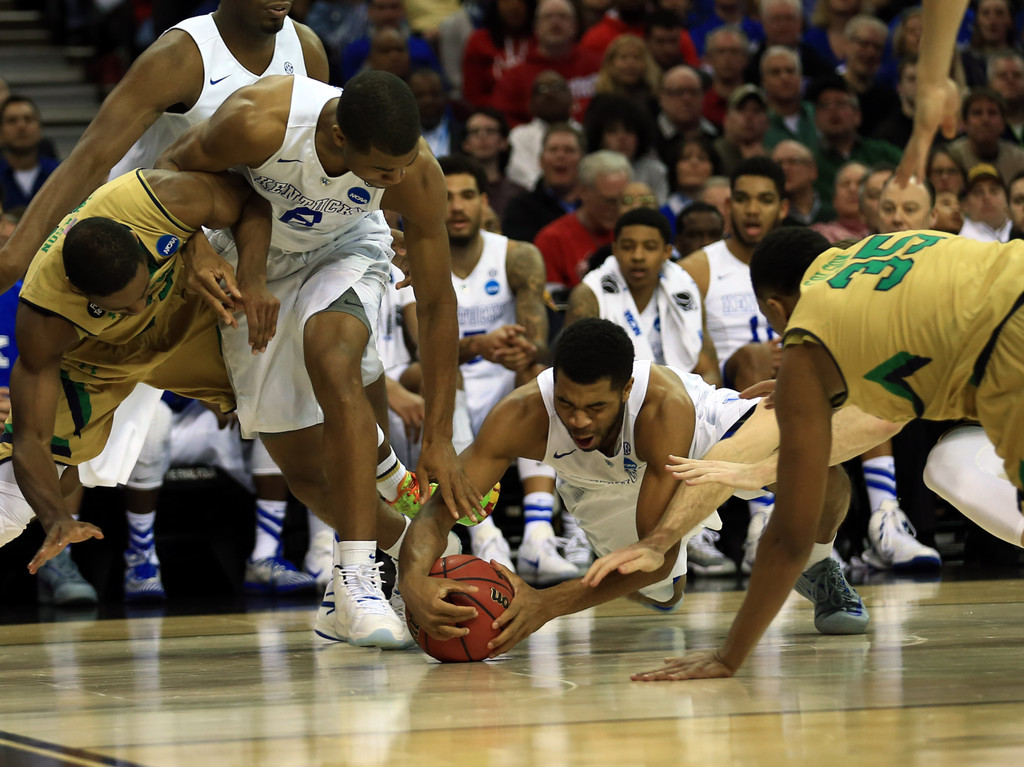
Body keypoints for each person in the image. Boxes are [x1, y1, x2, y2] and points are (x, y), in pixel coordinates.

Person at [609, 222, 1024, 681]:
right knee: (950, 461)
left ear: (774, 308)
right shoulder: (896, 246)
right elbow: (911, 349)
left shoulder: (813, 329)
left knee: (951, 470)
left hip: (1014, 347)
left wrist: (727, 652)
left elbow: (787, 534)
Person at [158, 71, 478, 647]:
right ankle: (403, 543)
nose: (399, 180)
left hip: (347, 247)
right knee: (306, 475)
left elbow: (435, 304)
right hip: (248, 261)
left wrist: (439, 437)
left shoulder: (416, 174)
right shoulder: (258, 120)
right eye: (385, 171)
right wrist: (198, 250)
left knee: (332, 359)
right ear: (335, 136)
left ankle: (354, 576)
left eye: (406, 164)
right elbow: (166, 170)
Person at [398, 318, 872, 655]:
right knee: (664, 591)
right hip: (598, 485)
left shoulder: (661, 408)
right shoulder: (520, 416)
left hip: (700, 441)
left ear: (625, 389)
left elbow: (654, 552)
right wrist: (412, 580)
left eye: (596, 407)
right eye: (566, 403)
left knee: (820, 470)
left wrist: (547, 603)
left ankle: (816, 563)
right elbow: (438, 513)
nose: (579, 420)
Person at [534, 149, 632, 295]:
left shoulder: (634, 234)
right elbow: (553, 306)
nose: (617, 209)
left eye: (623, 200)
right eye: (609, 201)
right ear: (584, 192)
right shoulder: (552, 240)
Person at [502, 122, 584, 243]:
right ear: (541, 161)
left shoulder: (597, 206)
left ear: (583, 160)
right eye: (553, 150)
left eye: (569, 150)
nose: (560, 155)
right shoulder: (521, 209)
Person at [0, 96, 61, 210]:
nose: (21, 126)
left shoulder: (60, 174)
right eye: (12, 120)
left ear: (40, 127)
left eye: (28, 119)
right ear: (1, 131)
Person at [958, 163, 1012, 242]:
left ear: (1007, 198)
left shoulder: (1019, 228)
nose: (987, 197)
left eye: (994, 190)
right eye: (978, 192)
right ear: (965, 205)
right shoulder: (959, 239)